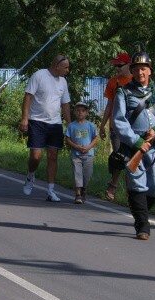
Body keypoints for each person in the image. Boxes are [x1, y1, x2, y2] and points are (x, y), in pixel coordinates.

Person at [112, 51, 155, 240]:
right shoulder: (123, 92)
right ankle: (142, 225)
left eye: (144, 68)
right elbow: (119, 121)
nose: (140, 72)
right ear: (132, 71)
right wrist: (136, 141)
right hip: (134, 145)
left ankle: (139, 211)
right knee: (137, 183)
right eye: (137, 68)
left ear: (150, 71)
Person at [19, 55, 72, 202]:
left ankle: (50, 190)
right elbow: (28, 97)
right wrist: (25, 118)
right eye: (65, 67)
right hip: (37, 121)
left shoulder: (63, 82)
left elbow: (65, 104)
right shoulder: (39, 75)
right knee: (36, 156)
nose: (67, 70)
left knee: (53, 156)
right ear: (56, 66)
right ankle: (30, 175)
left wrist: (70, 125)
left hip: (55, 124)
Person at [99, 52, 132, 201]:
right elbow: (109, 105)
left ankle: (131, 192)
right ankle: (113, 184)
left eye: (120, 65)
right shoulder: (113, 82)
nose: (117, 68)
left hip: (133, 127)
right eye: (115, 65)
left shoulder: (136, 81)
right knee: (119, 156)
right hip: (116, 127)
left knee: (132, 159)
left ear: (129, 65)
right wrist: (103, 125)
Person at [65, 102, 98, 204]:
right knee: (77, 173)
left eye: (83, 111)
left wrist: (88, 147)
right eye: (78, 110)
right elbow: (67, 139)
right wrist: (76, 146)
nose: (80, 113)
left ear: (87, 113)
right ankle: (78, 194)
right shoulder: (71, 126)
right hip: (76, 155)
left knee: (87, 174)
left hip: (89, 154)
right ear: (74, 112)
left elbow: (95, 138)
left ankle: (84, 189)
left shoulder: (90, 125)